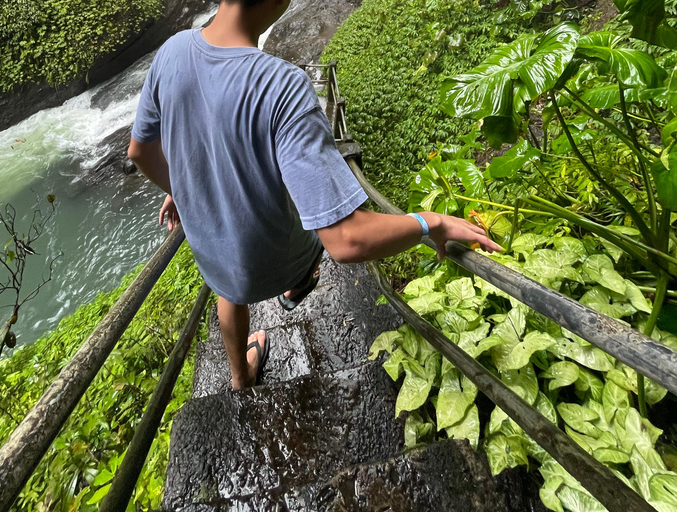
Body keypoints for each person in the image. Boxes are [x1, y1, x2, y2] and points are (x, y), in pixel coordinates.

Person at [128, 0, 501, 391]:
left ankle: (241, 377)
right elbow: (345, 238)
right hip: (277, 263)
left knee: (228, 291)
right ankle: (300, 282)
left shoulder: (170, 52)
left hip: (216, 259)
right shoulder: (281, 85)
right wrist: (431, 222)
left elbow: (139, 152)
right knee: (314, 219)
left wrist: (181, 188)